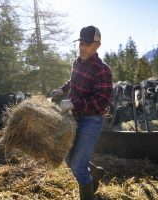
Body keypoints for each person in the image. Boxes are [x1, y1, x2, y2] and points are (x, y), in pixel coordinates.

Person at [51, 25, 113, 200]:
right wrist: (62, 90)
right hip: (75, 117)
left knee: (78, 166)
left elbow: (102, 101)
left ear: (97, 45)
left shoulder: (102, 70)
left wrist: (73, 103)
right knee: (70, 160)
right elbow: (73, 81)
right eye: (81, 43)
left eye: (87, 44)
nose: (82, 47)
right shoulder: (77, 62)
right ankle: (96, 172)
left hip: (91, 120)